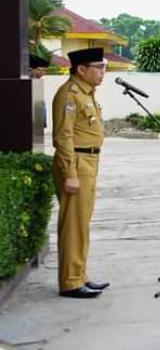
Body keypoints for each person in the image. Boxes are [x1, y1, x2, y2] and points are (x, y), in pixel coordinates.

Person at [51, 47, 109, 298]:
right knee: (73, 226)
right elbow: (63, 136)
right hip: (76, 162)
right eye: (99, 67)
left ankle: (80, 274)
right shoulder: (69, 94)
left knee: (81, 224)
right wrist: (70, 173)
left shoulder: (87, 93)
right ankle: (71, 282)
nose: (102, 72)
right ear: (81, 69)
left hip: (89, 161)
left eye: (103, 67)